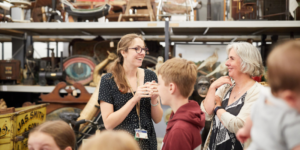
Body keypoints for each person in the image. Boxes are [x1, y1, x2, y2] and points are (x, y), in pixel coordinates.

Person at [98, 33, 163, 150]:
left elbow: (158, 119)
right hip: (120, 145)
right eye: (137, 49)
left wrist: (154, 99)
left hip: (147, 144)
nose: (142, 52)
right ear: (124, 52)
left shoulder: (150, 75)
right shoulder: (107, 80)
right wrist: (134, 99)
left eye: (143, 49)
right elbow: (108, 124)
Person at [236, 40, 300, 150]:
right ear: (290, 98)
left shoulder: (264, 96)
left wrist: (245, 131)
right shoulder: (292, 119)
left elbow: (252, 116)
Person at [200, 42, 264, 150]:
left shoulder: (258, 92)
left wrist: (218, 108)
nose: (226, 63)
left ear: (245, 62)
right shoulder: (226, 87)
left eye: (231, 59)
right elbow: (205, 114)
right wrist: (212, 88)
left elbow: (238, 125)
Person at [157, 58, 205, 150]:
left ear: (171, 87)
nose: (157, 88)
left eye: (159, 84)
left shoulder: (180, 130)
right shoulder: (184, 119)